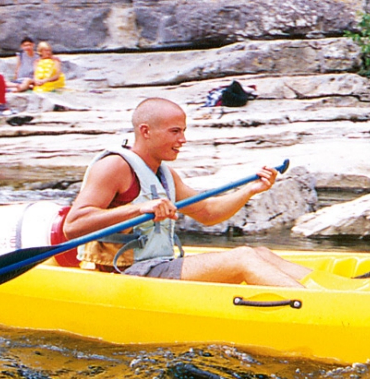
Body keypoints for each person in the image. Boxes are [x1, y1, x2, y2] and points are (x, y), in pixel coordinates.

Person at [63, 98, 310, 287]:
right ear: (145, 131)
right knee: (243, 258)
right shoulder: (114, 166)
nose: (183, 139)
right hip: (128, 272)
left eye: (183, 130)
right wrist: (138, 209)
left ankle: (336, 291)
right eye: (175, 131)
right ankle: (318, 308)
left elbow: (208, 212)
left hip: (158, 265)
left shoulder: (165, 174)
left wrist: (250, 191)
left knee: (261, 253)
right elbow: (73, 225)